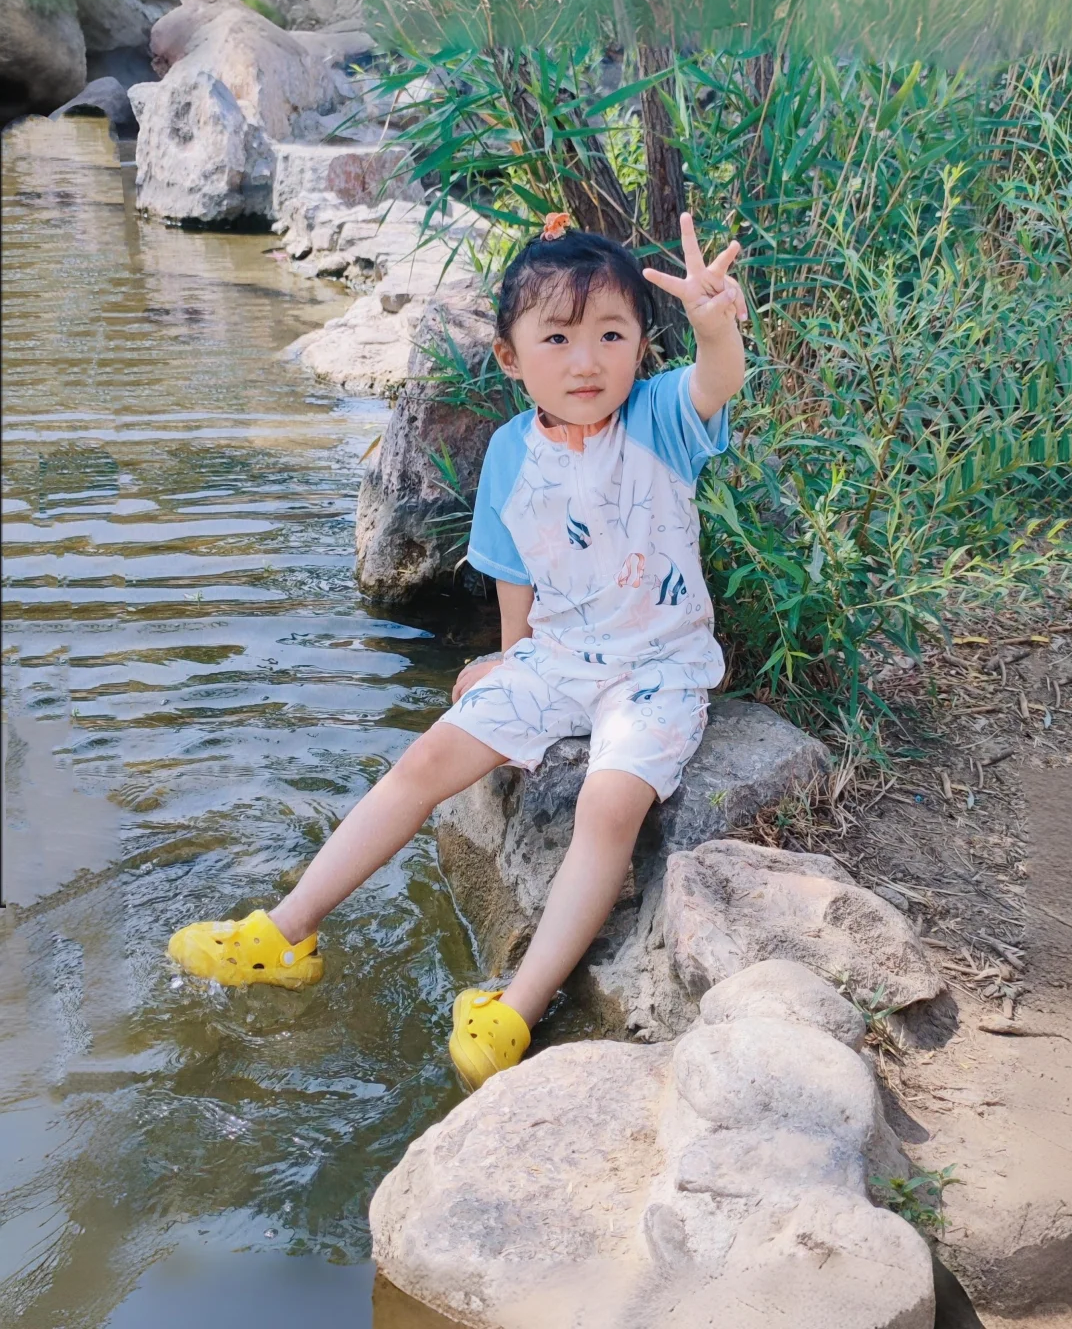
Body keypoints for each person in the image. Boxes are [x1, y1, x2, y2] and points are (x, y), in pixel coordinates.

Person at [167, 210, 748, 1091]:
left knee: (608, 806)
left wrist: (715, 325)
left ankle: (515, 1004)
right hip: (557, 660)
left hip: (656, 670)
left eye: (610, 335)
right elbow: (518, 570)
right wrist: (509, 658)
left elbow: (717, 380)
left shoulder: (659, 419)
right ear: (512, 359)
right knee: (429, 755)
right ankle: (284, 933)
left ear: (640, 347)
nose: (585, 361)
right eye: (557, 338)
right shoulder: (513, 452)